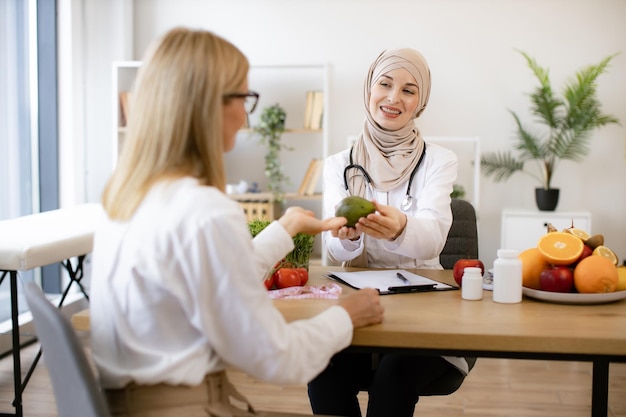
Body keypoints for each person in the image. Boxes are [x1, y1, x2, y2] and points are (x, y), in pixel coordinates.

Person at [89, 27, 384, 417]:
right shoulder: (204, 211)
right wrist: (347, 316)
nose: (246, 114)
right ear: (206, 104)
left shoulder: (128, 199)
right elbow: (278, 358)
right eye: (243, 97)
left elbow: (214, 276)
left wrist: (287, 226)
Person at [307, 48, 473, 417]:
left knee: (395, 373)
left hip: (423, 310)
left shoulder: (439, 160)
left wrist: (400, 228)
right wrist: (347, 237)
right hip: (360, 307)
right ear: (369, 89)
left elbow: (433, 239)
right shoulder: (339, 165)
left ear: (421, 102)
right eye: (384, 84)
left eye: (409, 90)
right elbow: (333, 251)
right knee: (320, 369)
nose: (394, 98)